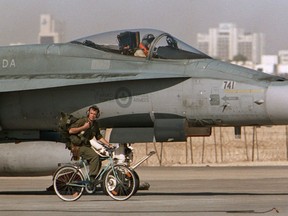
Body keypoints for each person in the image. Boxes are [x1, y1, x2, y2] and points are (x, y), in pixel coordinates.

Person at [68, 105, 112, 182]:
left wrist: (108, 144)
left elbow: (98, 136)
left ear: (97, 115)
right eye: (91, 113)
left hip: (86, 146)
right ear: (88, 113)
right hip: (77, 146)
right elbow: (71, 130)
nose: (92, 115)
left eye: (94, 114)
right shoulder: (82, 121)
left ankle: (90, 179)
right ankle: (91, 178)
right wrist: (83, 128)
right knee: (94, 156)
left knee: (98, 159)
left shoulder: (95, 124)